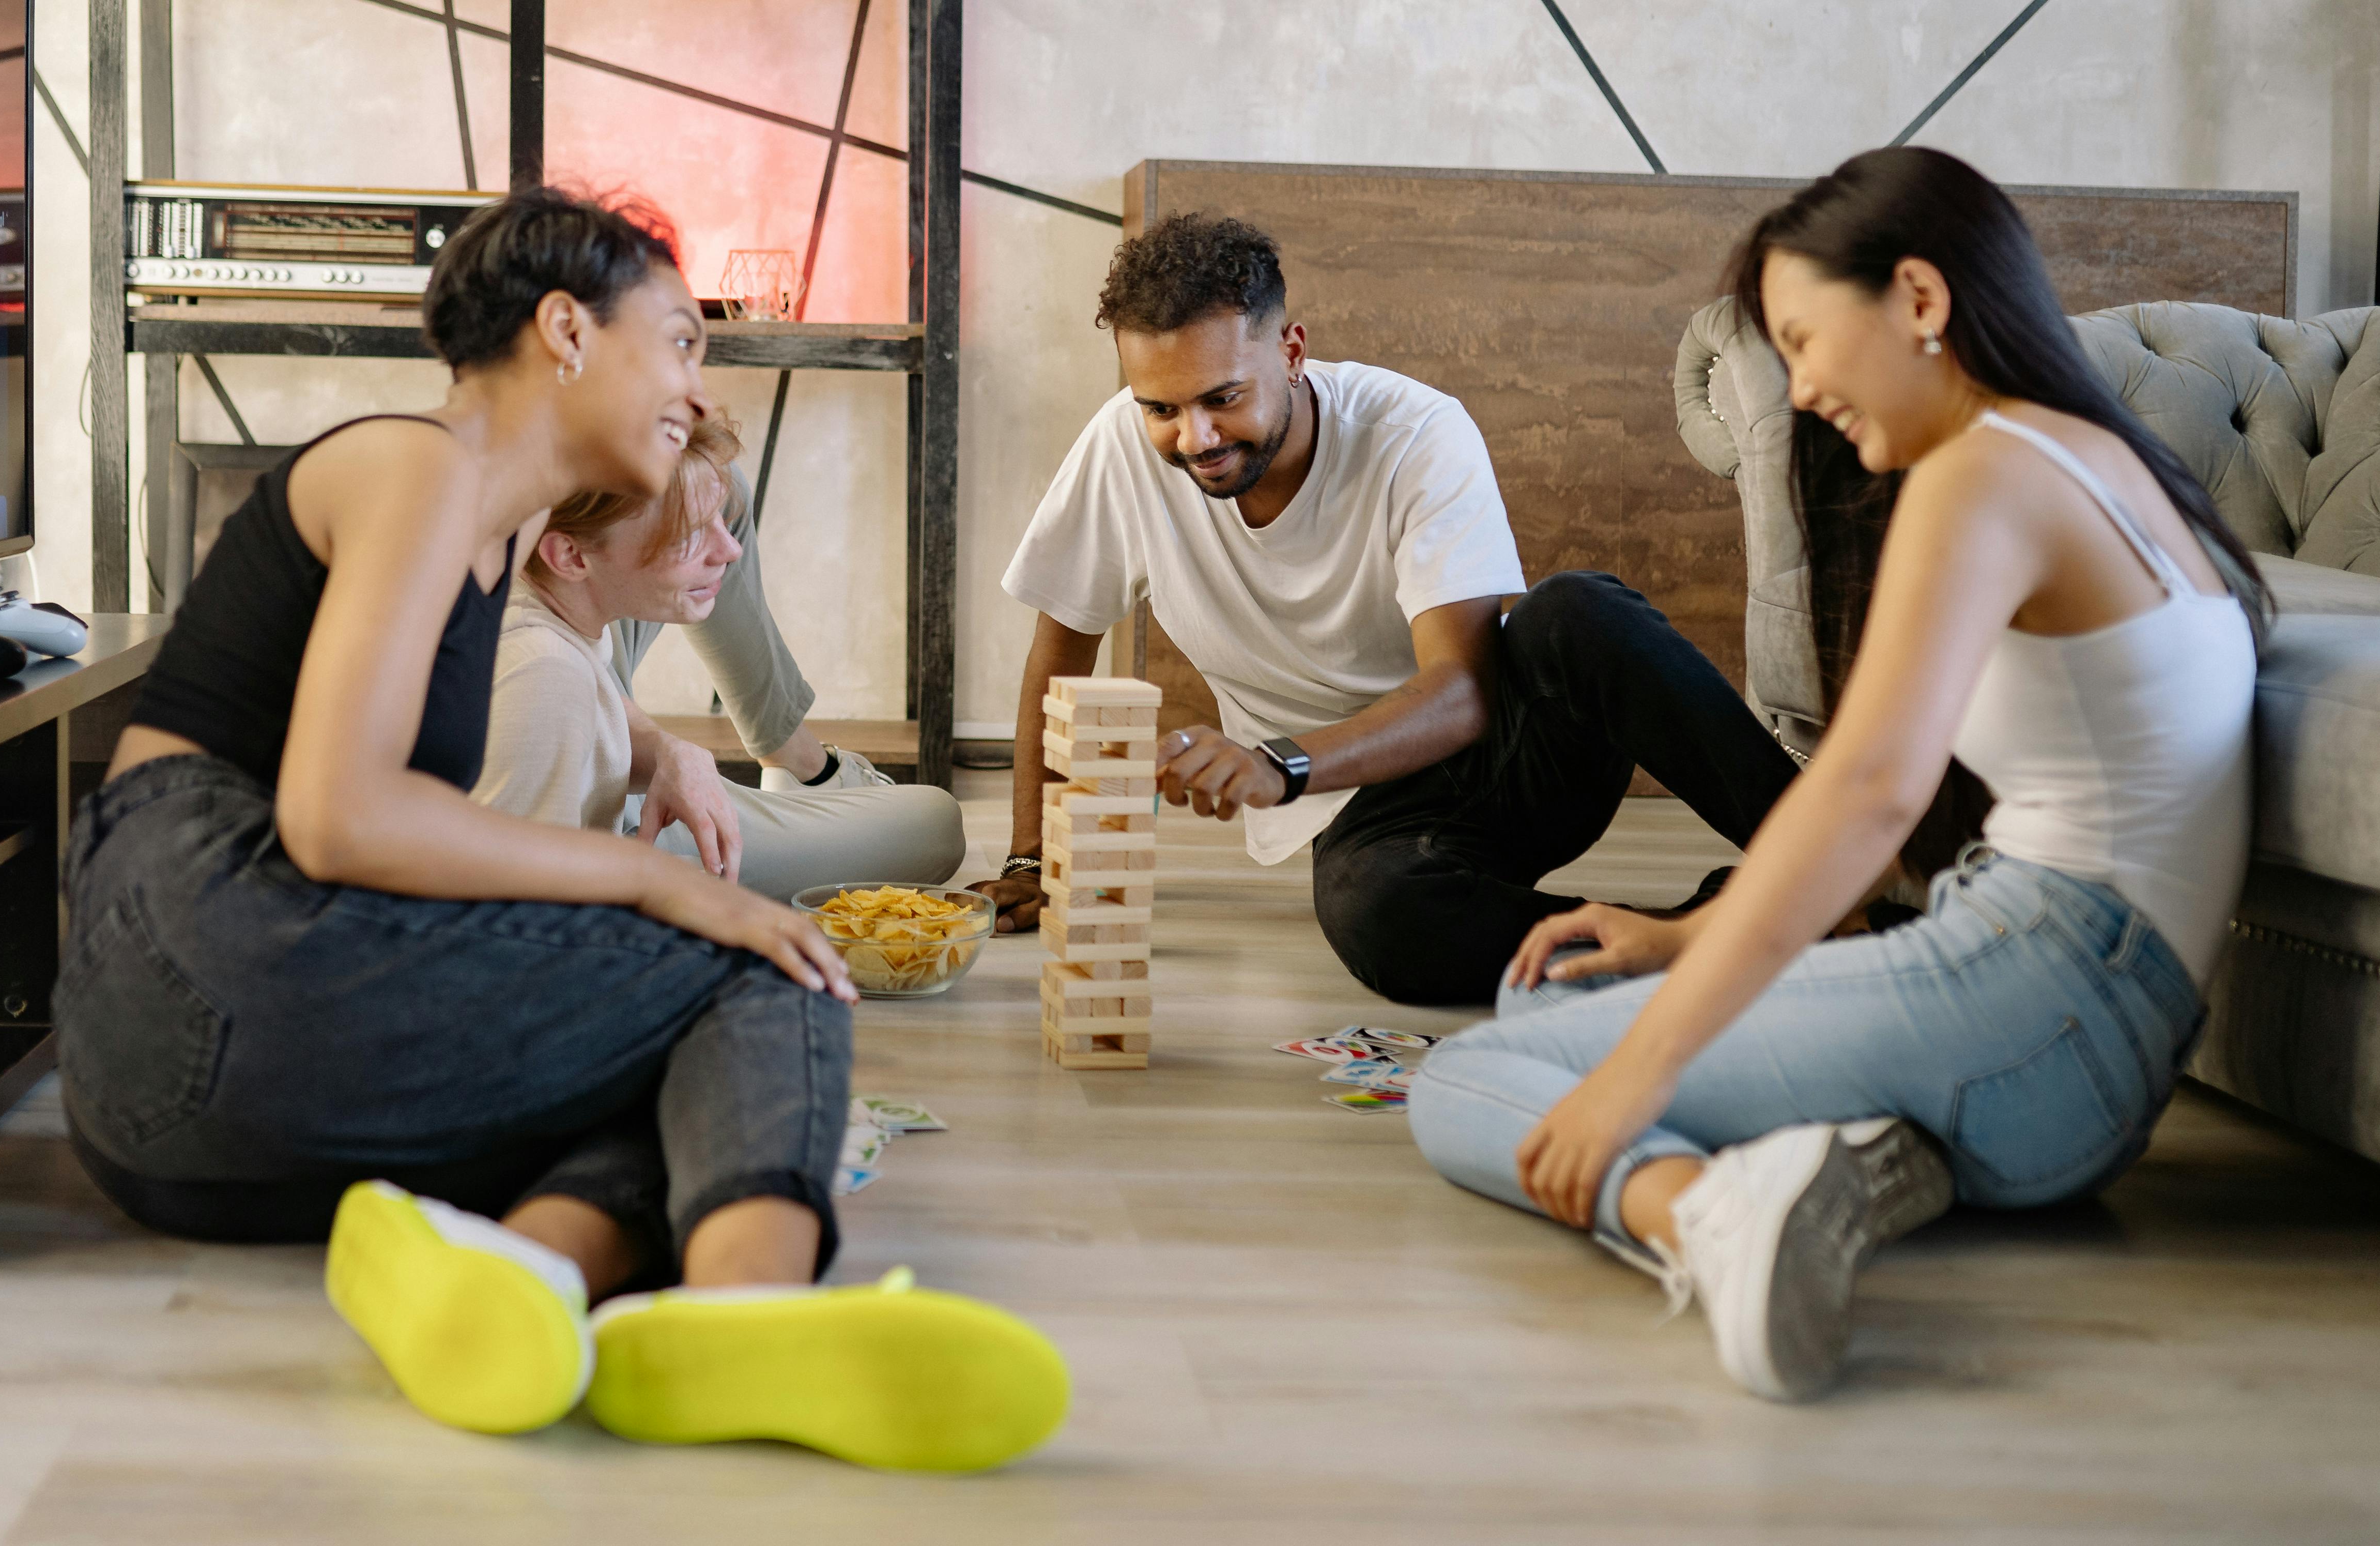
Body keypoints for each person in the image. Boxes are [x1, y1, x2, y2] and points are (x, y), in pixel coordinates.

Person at [54, 188, 1066, 1470]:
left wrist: (656, 749)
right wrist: (661, 888)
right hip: (211, 942)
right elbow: (337, 811)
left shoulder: (501, 527)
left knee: (658, 1074)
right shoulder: (420, 464)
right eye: (684, 341)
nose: (696, 394)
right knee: (761, 969)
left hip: (171, 1117)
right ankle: (751, 1310)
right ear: (566, 332)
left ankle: (513, 1277)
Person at [1405, 148, 2267, 1402]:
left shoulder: (1985, 471)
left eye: (1804, 339)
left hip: (2036, 996)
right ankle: (1849, 1155)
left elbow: (1865, 793)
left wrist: (1632, 1085)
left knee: (1474, 1073)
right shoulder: (2100, 459)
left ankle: (1705, 1211)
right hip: (2084, 1052)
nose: (1801, 389)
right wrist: (1676, 940)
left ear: (1919, 299)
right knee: (1554, 1017)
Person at [977, 213, 1801, 1004]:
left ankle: (1829, 868)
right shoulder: (1119, 448)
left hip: (1512, 757)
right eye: (1162, 409)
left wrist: (1279, 764)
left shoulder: (1415, 432)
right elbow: (1059, 660)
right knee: (1378, 916)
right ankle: (1696, 938)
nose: (1194, 437)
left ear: (1292, 352)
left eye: (1222, 397)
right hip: (1364, 806)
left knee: (1578, 611)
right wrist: (1029, 861)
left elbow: (1465, 692)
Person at [478, 411, 969, 900]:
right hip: (616, 847)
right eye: (689, 534)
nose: (730, 550)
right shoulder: (543, 676)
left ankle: (795, 766)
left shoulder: (529, 577)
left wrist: (671, 750)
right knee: (934, 825)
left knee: (720, 480)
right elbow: (522, 917)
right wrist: (714, 915)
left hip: (595, 746)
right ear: (571, 556)